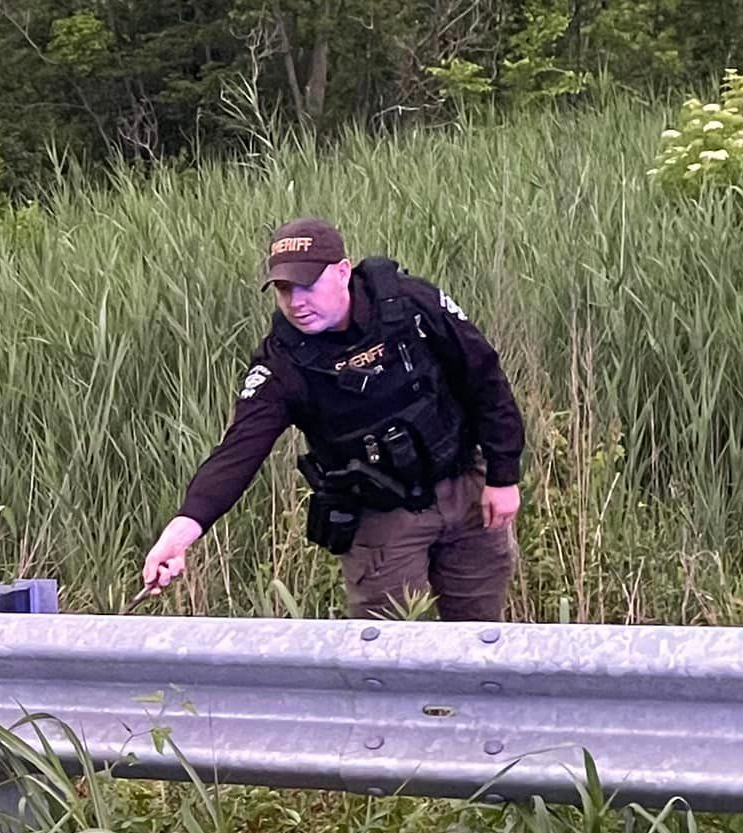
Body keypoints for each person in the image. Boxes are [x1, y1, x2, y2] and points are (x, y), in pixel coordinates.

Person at [140, 217, 526, 622]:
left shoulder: (409, 304)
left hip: (466, 489)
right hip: (383, 518)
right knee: (386, 656)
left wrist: (503, 474)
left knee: (482, 640)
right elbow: (238, 451)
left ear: (343, 272)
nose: (296, 302)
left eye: (307, 285)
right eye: (284, 290)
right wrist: (183, 530)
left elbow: (483, 374)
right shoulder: (283, 363)